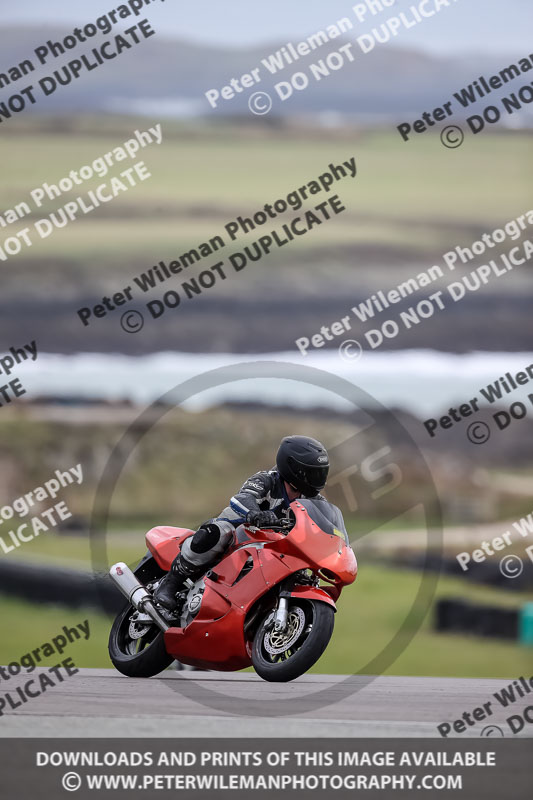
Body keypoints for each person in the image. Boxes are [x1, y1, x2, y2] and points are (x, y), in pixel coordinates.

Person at [154, 434, 330, 612]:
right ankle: (171, 582)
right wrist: (255, 514)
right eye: (312, 473)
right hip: (239, 535)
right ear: (293, 468)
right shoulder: (266, 480)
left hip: (274, 547)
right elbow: (242, 497)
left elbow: (327, 525)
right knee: (217, 533)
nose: (318, 479)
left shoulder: (315, 501)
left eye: (321, 473)